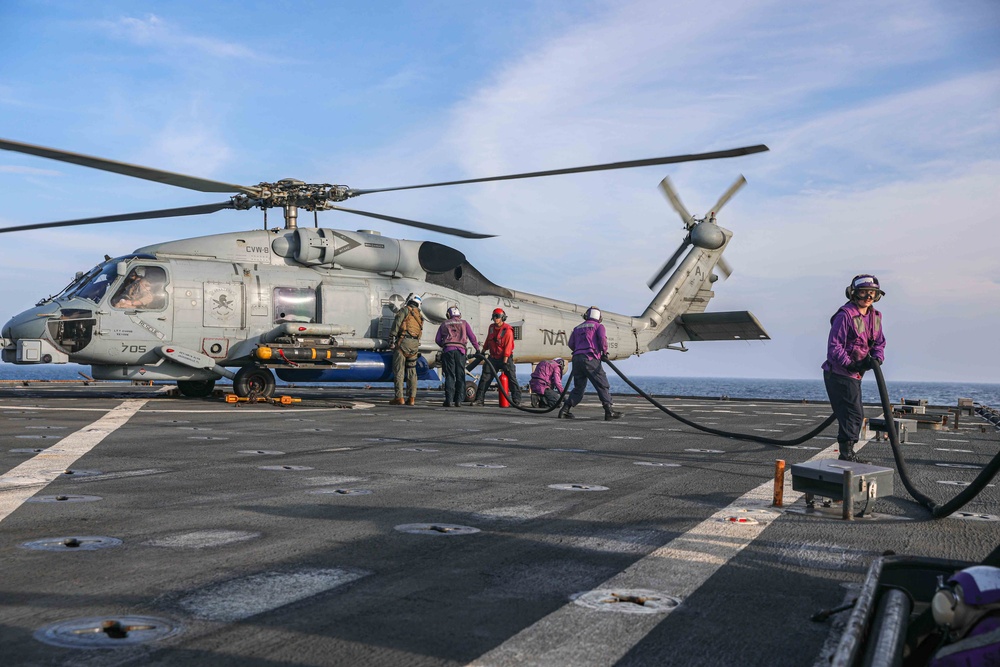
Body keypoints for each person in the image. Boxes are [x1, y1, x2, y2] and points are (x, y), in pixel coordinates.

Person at [822, 274, 886, 463]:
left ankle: (846, 452)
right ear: (853, 294)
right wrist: (850, 363)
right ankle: (847, 453)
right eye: (864, 293)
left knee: (851, 412)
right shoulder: (845, 315)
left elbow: (879, 342)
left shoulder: (875, 317)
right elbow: (834, 347)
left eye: (871, 294)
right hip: (840, 373)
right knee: (854, 413)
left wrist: (877, 358)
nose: (868, 297)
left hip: (855, 374)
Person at [558, 307, 622, 421]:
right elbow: (602, 339)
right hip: (591, 358)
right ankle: (609, 411)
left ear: (586, 316)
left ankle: (564, 410)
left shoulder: (577, 328)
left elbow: (571, 343)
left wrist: (579, 350)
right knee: (602, 384)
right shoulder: (599, 326)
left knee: (579, 387)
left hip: (577, 359)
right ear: (599, 318)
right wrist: (604, 352)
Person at [473, 307, 522, 406]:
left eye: (498, 316)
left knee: (512, 378)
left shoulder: (507, 330)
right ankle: (479, 399)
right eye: (494, 316)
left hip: (505, 358)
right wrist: (482, 351)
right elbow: (488, 341)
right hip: (493, 357)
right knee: (485, 378)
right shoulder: (491, 328)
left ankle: (516, 401)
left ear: (503, 317)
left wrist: (505, 362)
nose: (496, 318)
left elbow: (508, 347)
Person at [435, 306, 479, 407]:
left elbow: (437, 339)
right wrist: (477, 349)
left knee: (450, 376)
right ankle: (459, 400)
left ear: (448, 315)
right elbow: (472, 337)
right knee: (460, 376)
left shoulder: (444, 324)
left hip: (448, 351)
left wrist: (445, 345)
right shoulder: (464, 323)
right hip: (461, 352)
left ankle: (449, 400)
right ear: (459, 314)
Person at [390, 294, 424, 406]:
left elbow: (397, 323)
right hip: (414, 346)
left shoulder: (405, 310)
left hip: (403, 343)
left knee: (399, 371)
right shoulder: (420, 315)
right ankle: (412, 398)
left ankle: (399, 398)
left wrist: (392, 337)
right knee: (412, 372)